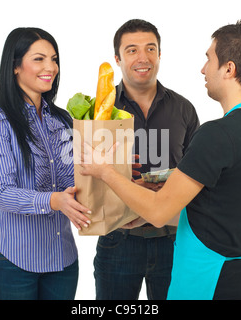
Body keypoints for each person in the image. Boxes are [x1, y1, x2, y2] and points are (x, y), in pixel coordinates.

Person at [81, 20, 241, 300]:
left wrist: (106, 172)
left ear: (229, 68)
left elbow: (159, 211)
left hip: (207, 283)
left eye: (209, 59)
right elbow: (214, 209)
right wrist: (141, 215)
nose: (203, 69)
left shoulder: (217, 133)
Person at [0, 27, 91, 300]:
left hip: (61, 261)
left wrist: (108, 168)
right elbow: (3, 193)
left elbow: (70, 183)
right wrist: (54, 201)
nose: (50, 67)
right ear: (15, 66)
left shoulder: (62, 120)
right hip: (11, 262)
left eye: (54, 59)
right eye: (39, 59)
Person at [93, 19, 200, 300]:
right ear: (117, 58)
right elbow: (84, 174)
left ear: (160, 54)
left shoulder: (184, 109)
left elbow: (198, 177)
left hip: (174, 241)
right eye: (131, 50)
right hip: (118, 241)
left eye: (150, 49)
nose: (143, 58)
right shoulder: (99, 113)